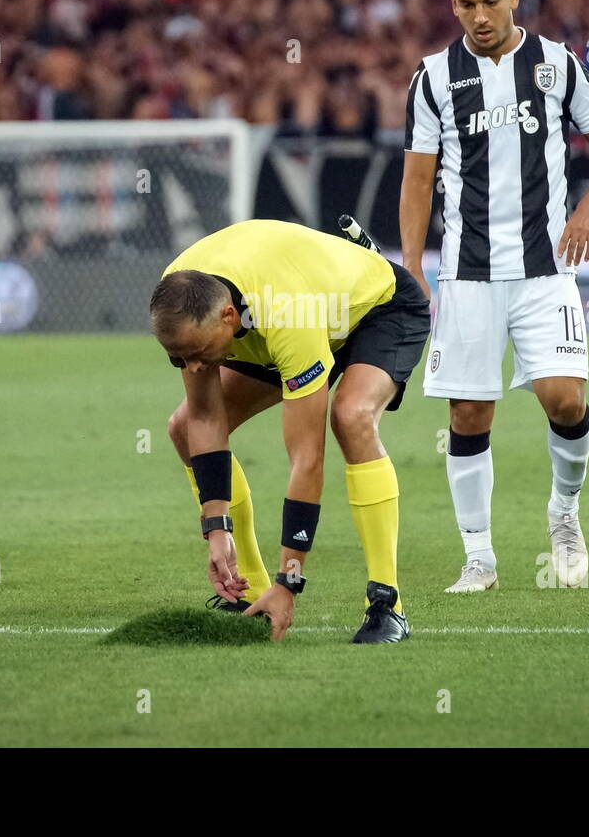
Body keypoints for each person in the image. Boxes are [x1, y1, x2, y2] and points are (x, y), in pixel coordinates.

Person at [398, 0, 589, 593]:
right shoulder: (434, 77)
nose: (480, 16)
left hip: (544, 270)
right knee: (469, 416)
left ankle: (564, 514)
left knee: (566, 398)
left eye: (491, 1)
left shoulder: (557, 64)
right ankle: (480, 558)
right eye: (467, 4)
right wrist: (412, 264)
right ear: (454, 4)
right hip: (468, 274)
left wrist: (586, 211)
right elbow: (417, 181)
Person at [150, 219, 430, 642]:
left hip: (376, 309)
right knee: (184, 427)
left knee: (350, 417)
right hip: (289, 315)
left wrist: (290, 579)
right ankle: (248, 594)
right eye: (179, 359)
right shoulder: (183, 296)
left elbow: (306, 458)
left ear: (228, 316)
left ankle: (387, 604)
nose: (192, 367)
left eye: (196, 354)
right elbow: (206, 419)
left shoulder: (286, 315)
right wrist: (216, 528)